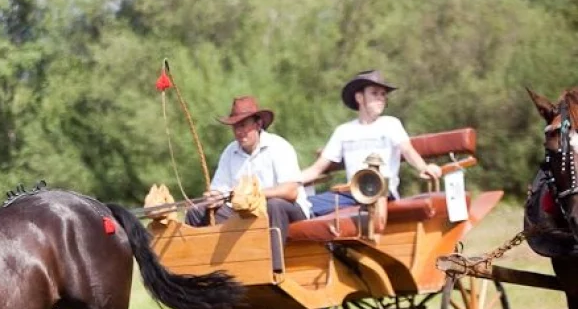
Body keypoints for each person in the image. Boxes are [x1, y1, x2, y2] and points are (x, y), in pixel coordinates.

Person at [299, 70, 442, 217]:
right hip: (352, 194)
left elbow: (407, 150)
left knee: (374, 189)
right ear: (359, 97)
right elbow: (317, 169)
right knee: (302, 206)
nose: (380, 98)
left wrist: (424, 167)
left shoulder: (391, 124)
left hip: (382, 191)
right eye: (374, 93)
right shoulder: (344, 131)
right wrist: (287, 183)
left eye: (383, 94)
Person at [185, 96, 310, 248]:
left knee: (274, 205)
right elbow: (220, 190)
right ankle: (200, 266)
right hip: (243, 214)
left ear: (258, 124)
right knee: (197, 211)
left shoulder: (279, 146)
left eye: (243, 125)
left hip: (287, 212)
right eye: (235, 127)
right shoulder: (229, 152)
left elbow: (291, 192)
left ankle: (273, 267)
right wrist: (214, 198)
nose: (239, 131)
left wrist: (251, 194)